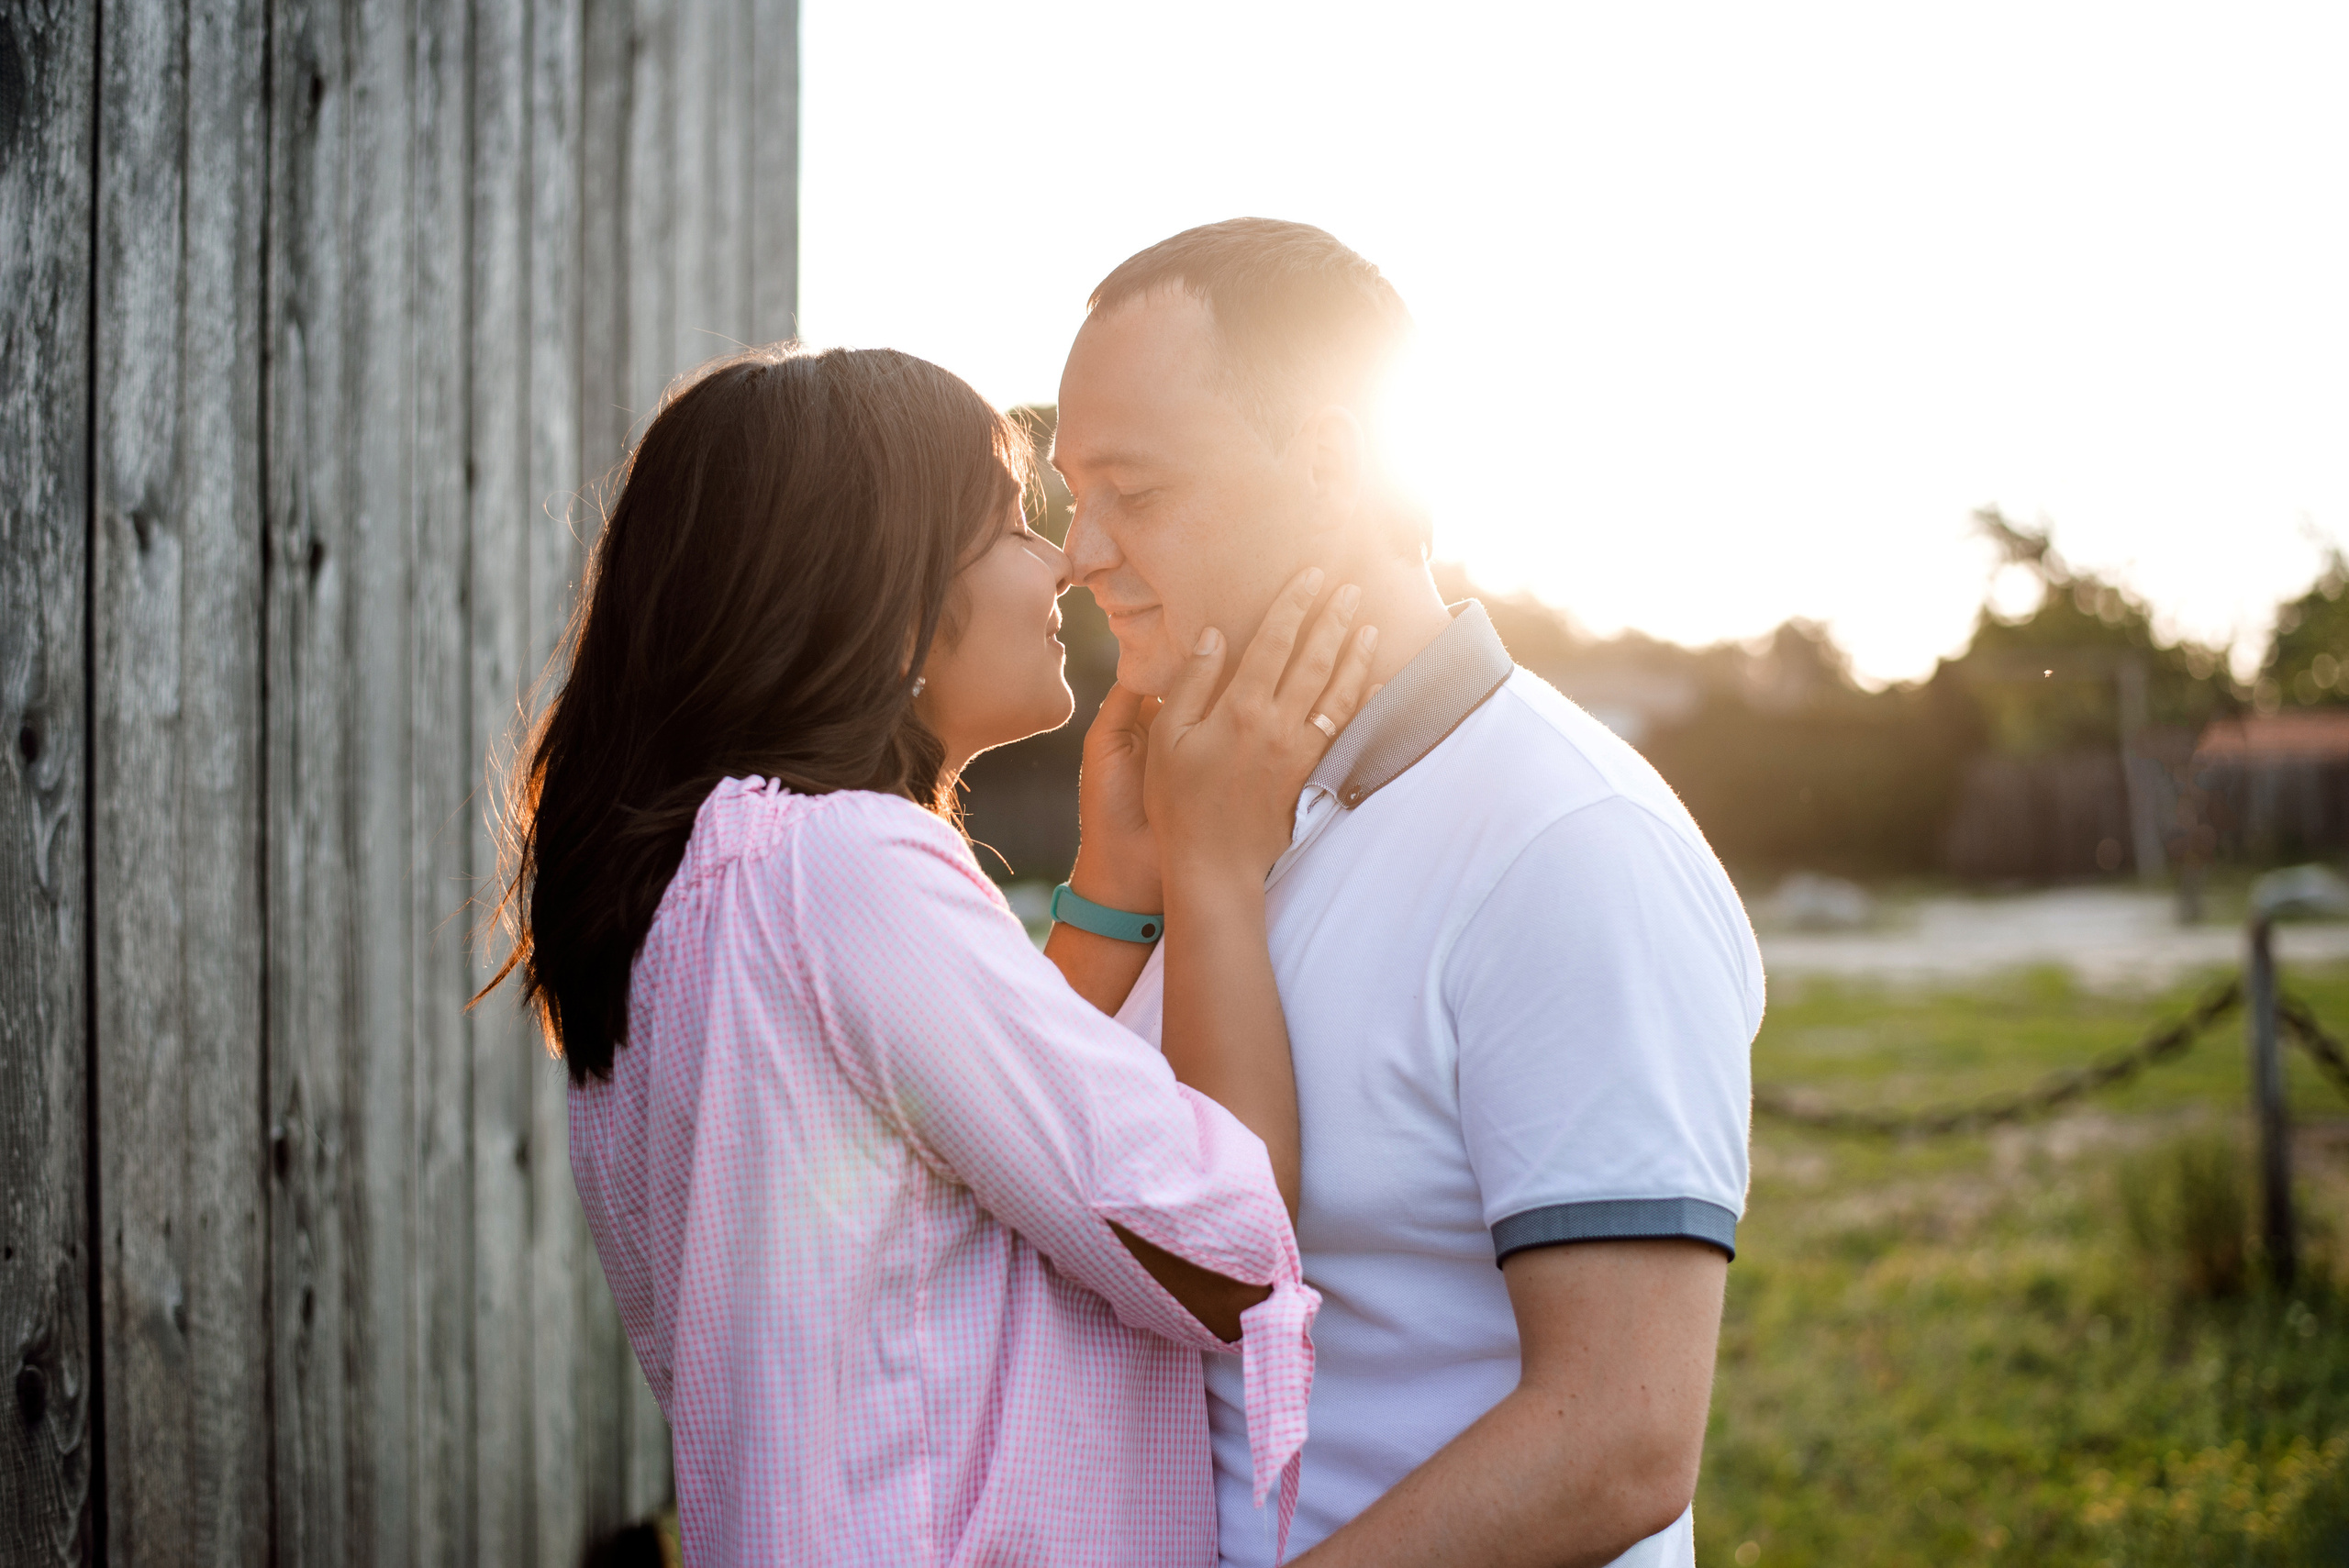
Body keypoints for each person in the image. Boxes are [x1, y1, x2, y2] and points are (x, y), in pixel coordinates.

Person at [479, 344, 1382, 1565]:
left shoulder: (705, 887)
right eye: (1010, 524)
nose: (1062, 562)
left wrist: (1117, 880)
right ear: (879, 592)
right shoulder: (846, 865)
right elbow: (1219, 1249)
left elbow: (978, 1158)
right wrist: (1214, 863)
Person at [1048, 219, 1761, 1568]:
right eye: (1071, 493)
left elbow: (1621, 1435)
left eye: (1132, 490)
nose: (1080, 549)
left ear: (1329, 463)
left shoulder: (1568, 844)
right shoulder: (1202, 809)